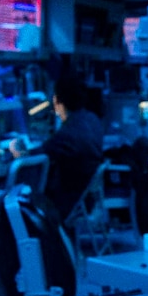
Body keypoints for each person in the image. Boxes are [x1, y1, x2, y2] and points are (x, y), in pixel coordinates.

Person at [43, 73, 106, 221]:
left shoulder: (67, 134)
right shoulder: (92, 119)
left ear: (57, 100)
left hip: (65, 202)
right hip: (85, 197)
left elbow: (36, 154)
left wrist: (17, 150)